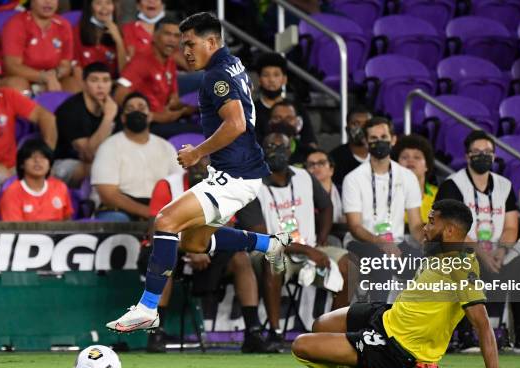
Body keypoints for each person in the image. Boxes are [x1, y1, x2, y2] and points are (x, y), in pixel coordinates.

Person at [106, 12, 291, 333]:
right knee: (193, 243)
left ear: (211, 42)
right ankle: (269, 244)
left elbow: (235, 123)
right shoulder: (232, 63)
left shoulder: (215, 77)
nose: (186, 52)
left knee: (164, 221)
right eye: (183, 45)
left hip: (234, 175)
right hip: (241, 173)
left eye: (191, 44)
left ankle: (147, 308)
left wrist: (197, 152)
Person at [291, 199, 509, 368]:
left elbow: (482, 322)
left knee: (301, 346)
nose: (425, 227)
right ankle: (411, 360)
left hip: (396, 346)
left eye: (432, 222)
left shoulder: (460, 266)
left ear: (450, 231)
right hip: (390, 316)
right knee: (320, 325)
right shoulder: (439, 247)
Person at [145, 157, 276, 353]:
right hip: (175, 248)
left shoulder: (224, 186)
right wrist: (190, 247)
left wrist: (200, 246)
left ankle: (253, 332)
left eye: (203, 161)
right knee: (164, 261)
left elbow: (227, 227)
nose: (198, 165)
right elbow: (155, 233)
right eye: (194, 161)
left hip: (208, 246)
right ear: (185, 165)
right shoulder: (168, 185)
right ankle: (156, 332)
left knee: (240, 258)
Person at [435, 130, 520, 353]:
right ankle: (467, 337)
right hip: (463, 249)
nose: (482, 156)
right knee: (463, 265)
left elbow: (512, 226)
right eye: (476, 152)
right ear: (466, 156)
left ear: (494, 156)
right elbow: (451, 230)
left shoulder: (504, 185)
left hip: (497, 250)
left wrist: (502, 251)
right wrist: (482, 255)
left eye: (487, 152)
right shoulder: (452, 185)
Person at [255, 132, 351, 349]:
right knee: (272, 261)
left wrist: (322, 239)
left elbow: (326, 206)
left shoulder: (304, 177)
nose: (275, 151)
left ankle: (332, 331)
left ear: (290, 151)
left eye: (281, 147)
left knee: (348, 263)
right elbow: (262, 235)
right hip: (274, 250)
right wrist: (308, 251)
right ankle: (275, 332)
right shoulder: (253, 183)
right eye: (270, 146)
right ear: (261, 151)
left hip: (311, 246)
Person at [91, 91, 180, 221]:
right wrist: (148, 212)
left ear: (149, 116)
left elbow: (178, 185)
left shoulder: (166, 147)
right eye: (130, 109)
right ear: (123, 118)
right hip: (120, 209)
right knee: (117, 219)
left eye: (141, 108)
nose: (136, 112)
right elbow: (108, 195)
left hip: (159, 207)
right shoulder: (109, 146)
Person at [342, 117, 424, 250]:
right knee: (381, 267)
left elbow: (415, 225)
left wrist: (430, 241)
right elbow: (355, 226)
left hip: (396, 242)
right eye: (373, 138)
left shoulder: (408, 177)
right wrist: (381, 243)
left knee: (420, 266)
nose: (379, 141)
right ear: (366, 142)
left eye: (384, 136)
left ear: (393, 140)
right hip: (362, 243)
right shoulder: (353, 179)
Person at [115, 16, 195, 138]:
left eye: (176, 36)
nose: (172, 40)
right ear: (154, 36)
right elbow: (119, 95)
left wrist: (185, 108)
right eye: (167, 34)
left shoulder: (170, 60)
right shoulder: (141, 61)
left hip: (168, 119)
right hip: (150, 126)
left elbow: (173, 98)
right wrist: (153, 116)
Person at [0, 58, 57, 181]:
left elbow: (46, 117)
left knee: (51, 178)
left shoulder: (8, 96)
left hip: (12, 169)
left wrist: (46, 155)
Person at [54, 62, 118, 187]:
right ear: (83, 84)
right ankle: (100, 205)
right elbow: (88, 155)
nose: (100, 86)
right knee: (99, 169)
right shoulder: (70, 110)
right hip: (64, 164)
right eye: (94, 80)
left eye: (106, 81)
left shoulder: (114, 107)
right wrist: (108, 118)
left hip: (100, 162)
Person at [0, 0, 78, 94]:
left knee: (74, 85)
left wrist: (54, 76)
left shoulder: (64, 25)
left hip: (53, 77)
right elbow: (12, 66)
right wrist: (44, 77)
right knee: (18, 85)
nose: (48, 2)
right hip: (22, 78)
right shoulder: (15, 24)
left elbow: (65, 65)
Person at [0, 139, 73, 221]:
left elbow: (67, 221)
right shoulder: (11, 194)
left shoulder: (60, 187)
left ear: (50, 165)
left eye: (43, 157)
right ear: (22, 164)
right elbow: (13, 230)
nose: (37, 161)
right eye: (31, 157)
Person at [253, 52, 316, 148]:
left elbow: (310, 141)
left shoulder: (297, 108)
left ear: (284, 79)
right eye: (266, 75)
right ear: (259, 80)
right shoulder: (251, 109)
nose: (271, 80)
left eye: (276, 75)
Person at [73, 0, 128, 79]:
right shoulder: (77, 32)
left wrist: (119, 41)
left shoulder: (122, 32)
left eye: (108, 3)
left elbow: (124, 74)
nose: (104, 8)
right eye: (98, 3)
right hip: (85, 86)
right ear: (90, 7)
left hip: (111, 85)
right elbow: (77, 72)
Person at [392, 134, 438, 225]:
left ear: (427, 166)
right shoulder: (386, 194)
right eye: (405, 157)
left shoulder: (439, 196)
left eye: (417, 157)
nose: (410, 160)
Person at [330, 106, 372, 188]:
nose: (361, 128)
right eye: (356, 124)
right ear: (347, 129)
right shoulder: (335, 158)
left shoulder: (381, 156)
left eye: (367, 124)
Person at [268, 100, 317, 165]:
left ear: (297, 122)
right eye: (277, 118)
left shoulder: (309, 154)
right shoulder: (255, 152)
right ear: (270, 122)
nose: (283, 122)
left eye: (289, 118)